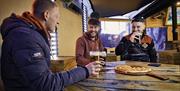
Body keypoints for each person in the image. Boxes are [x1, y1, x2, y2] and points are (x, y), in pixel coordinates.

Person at [0, 0, 102, 91]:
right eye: (57, 16)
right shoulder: (26, 38)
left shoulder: (29, 35)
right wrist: (85, 70)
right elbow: (45, 85)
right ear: (46, 15)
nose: (58, 22)